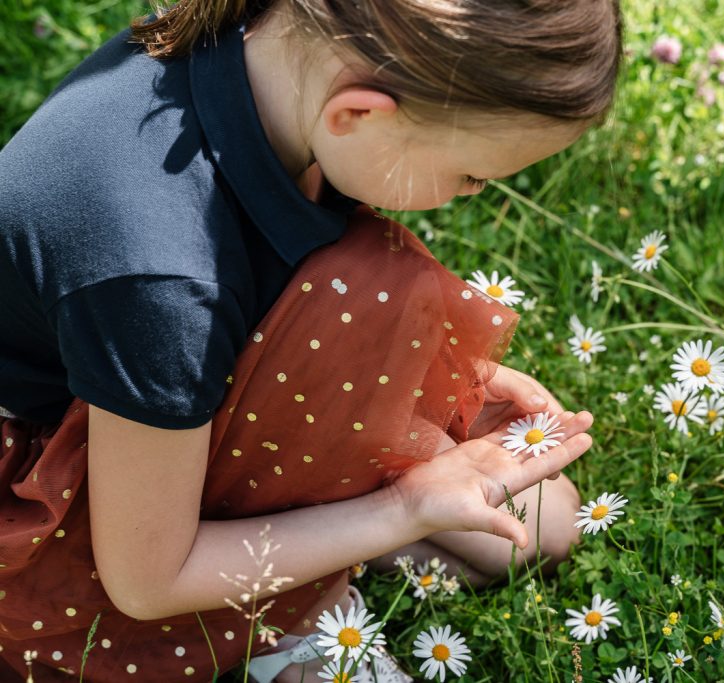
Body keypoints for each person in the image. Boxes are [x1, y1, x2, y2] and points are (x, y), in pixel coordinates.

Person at [0, 0, 621, 679]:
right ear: (357, 115)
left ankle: (313, 534)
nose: (470, 193)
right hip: (51, 490)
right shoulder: (164, 276)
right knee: (503, 526)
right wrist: (400, 508)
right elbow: (149, 580)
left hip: (153, 399)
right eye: (472, 174)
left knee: (544, 524)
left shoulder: (270, 48)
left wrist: (426, 379)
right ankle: (292, 622)